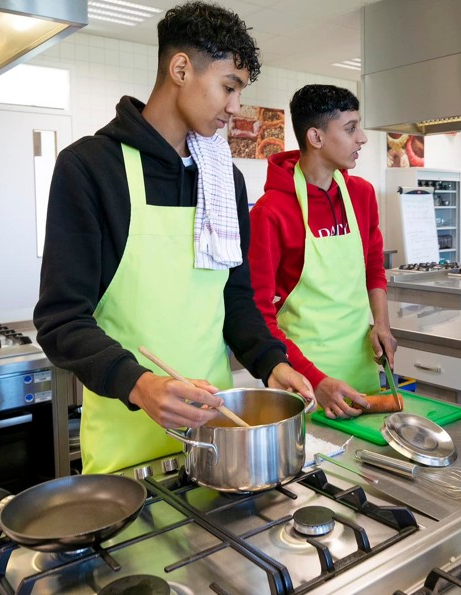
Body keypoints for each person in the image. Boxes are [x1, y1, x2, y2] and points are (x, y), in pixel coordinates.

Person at [33, 1, 313, 474]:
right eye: (229, 87)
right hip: (126, 454)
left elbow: (235, 298)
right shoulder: (90, 168)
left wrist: (271, 362)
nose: (235, 107)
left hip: (218, 440)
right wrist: (141, 385)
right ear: (180, 69)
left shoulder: (223, 180)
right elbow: (61, 320)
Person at [248, 84, 396, 419]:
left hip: (361, 373)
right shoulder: (270, 212)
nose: (362, 138)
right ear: (315, 137)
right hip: (301, 384)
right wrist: (314, 380)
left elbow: (373, 267)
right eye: (350, 128)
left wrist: (382, 324)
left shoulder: (362, 194)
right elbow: (259, 313)